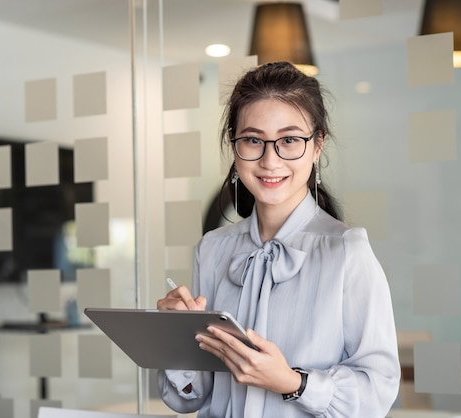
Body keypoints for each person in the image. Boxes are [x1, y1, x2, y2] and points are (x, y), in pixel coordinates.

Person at [156, 61, 400, 417]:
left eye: (289, 140)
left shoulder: (347, 251)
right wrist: (175, 336)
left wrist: (292, 382)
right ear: (234, 145)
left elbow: (377, 392)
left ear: (318, 145)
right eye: (253, 140)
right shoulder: (212, 249)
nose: (270, 160)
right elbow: (189, 398)